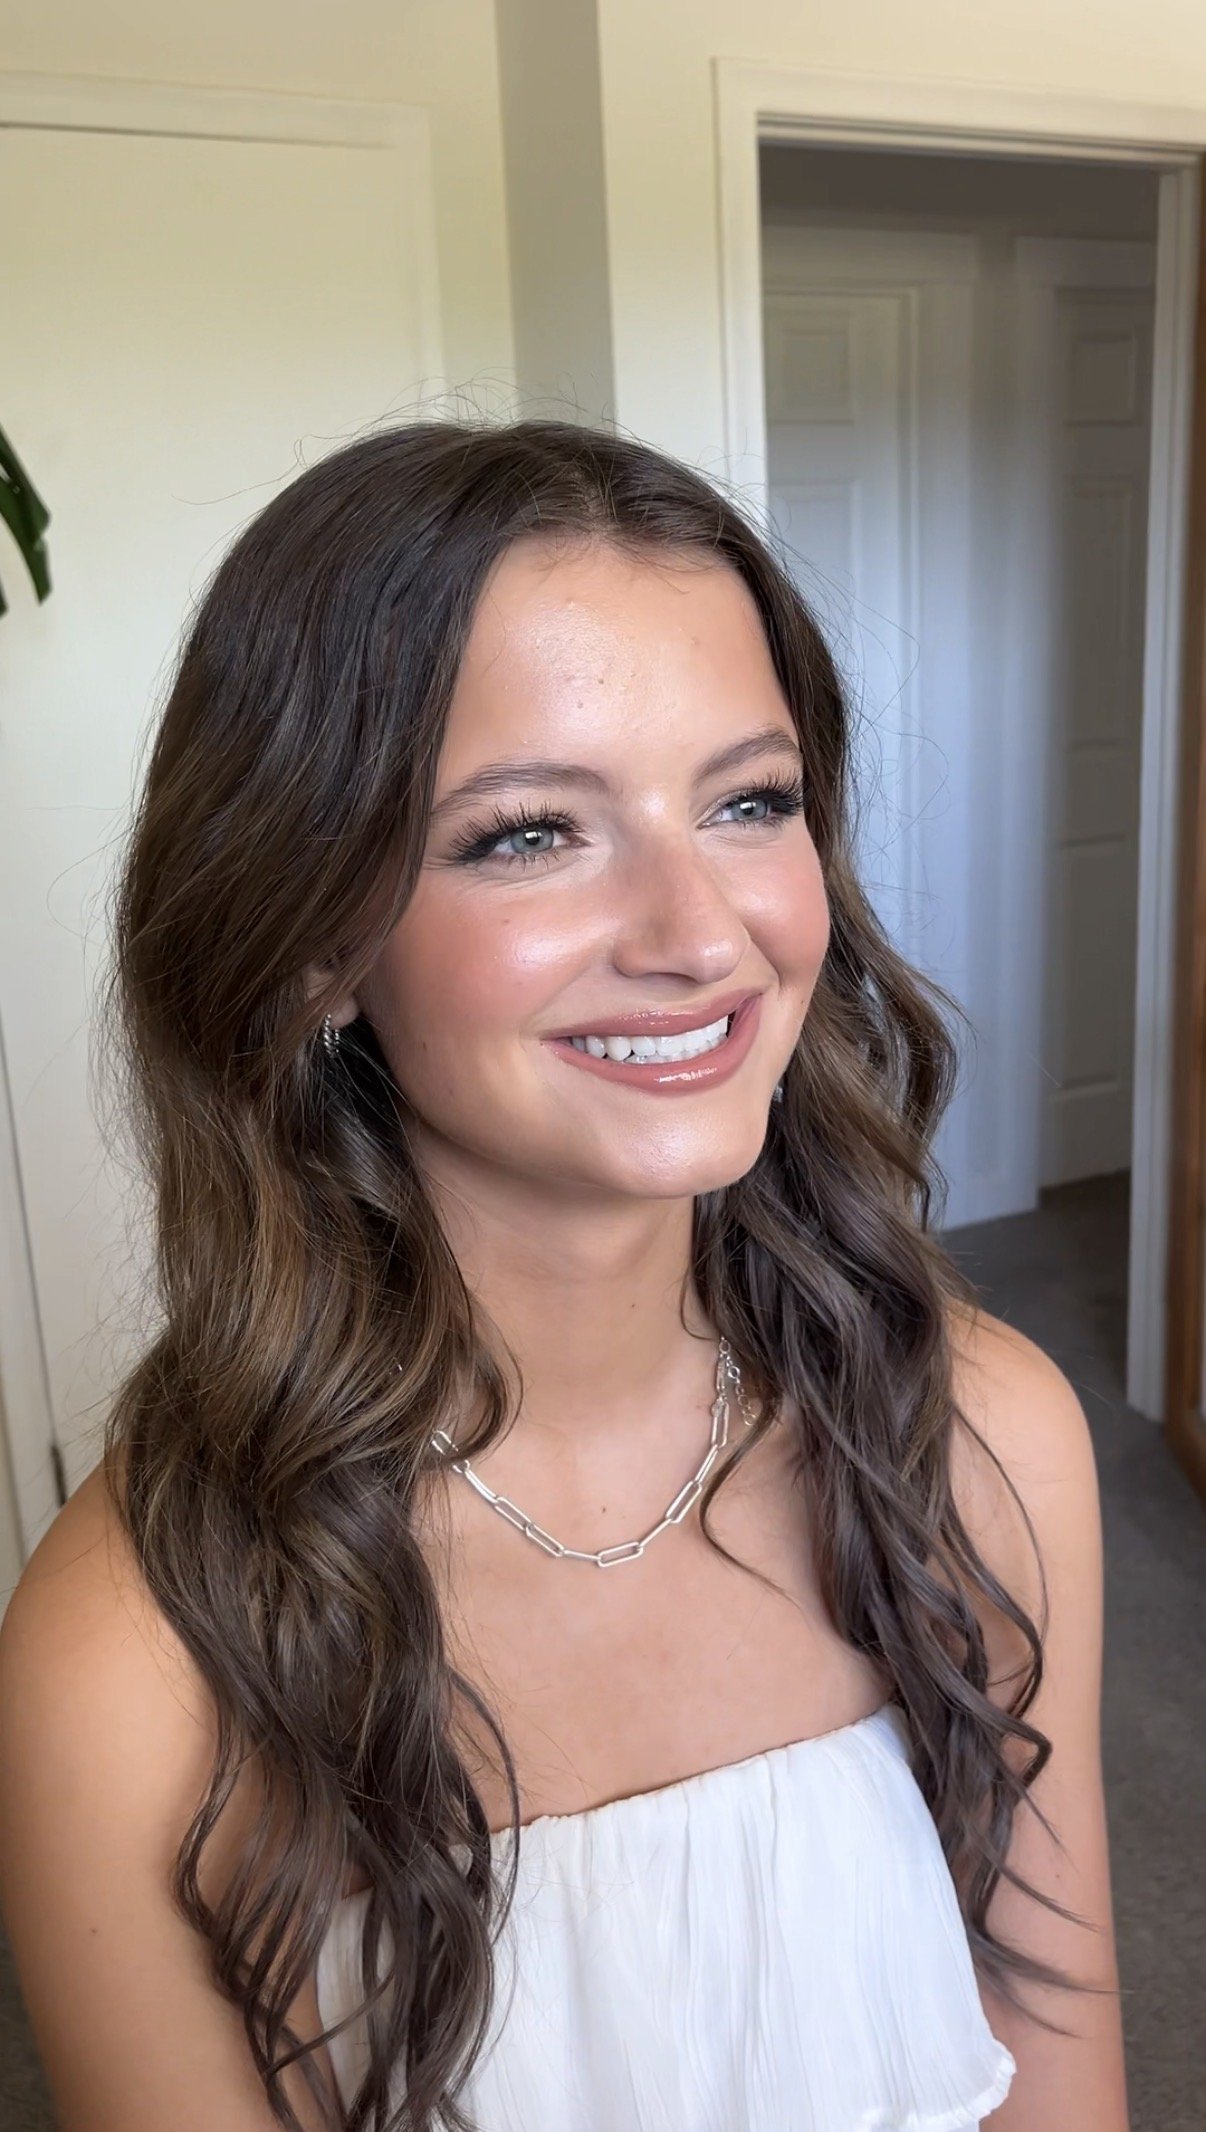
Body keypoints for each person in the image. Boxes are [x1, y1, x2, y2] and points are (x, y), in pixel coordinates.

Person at [0, 418, 1128, 2131]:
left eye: (750, 802)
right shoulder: (134, 1661)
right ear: (309, 938)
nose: (701, 932)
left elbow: (1058, 2076)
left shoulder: (980, 1436)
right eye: (529, 833)